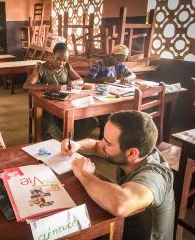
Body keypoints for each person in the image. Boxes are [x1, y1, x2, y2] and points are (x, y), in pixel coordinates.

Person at [61, 110, 175, 240]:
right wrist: (78, 145)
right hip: (128, 224)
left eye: (108, 143)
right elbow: (97, 145)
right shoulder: (137, 151)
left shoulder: (155, 176)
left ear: (132, 153)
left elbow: (120, 204)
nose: (102, 144)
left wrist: (83, 174)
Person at [23, 42, 98, 140]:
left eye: (65, 60)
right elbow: (27, 85)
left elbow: (80, 80)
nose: (61, 63)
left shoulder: (66, 67)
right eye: (58, 59)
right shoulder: (41, 68)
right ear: (52, 56)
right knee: (50, 122)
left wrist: (74, 83)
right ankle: (60, 141)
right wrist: (48, 87)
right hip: (45, 107)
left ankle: (69, 140)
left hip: (64, 104)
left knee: (89, 119)